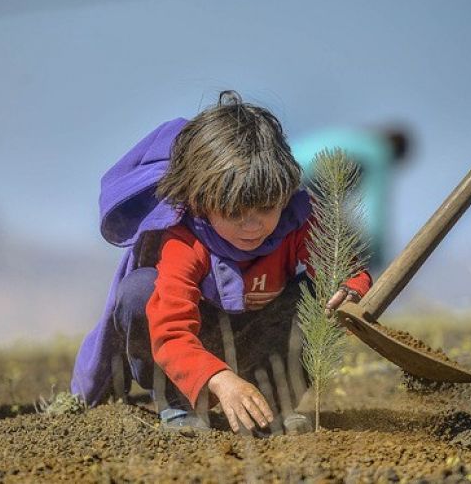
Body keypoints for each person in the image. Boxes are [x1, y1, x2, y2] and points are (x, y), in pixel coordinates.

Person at [70, 91, 372, 434]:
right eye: (234, 212)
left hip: (259, 344)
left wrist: (350, 288)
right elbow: (171, 332)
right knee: (140, 292)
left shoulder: (298, 219)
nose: (253, 224)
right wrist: (219, 378)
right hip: (193, 349)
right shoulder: (185, 239)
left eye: (266, 207)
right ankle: (179, 405)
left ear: (284, 194)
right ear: (201, 202)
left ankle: (269, 407)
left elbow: (343, 270)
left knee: (320, 297)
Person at [291, 125, 411, 273]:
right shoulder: (379, 151)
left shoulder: (355, 139)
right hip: (302, 182)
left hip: (284, 167)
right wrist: (377, 254)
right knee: (353, 245)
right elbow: (375, 205)